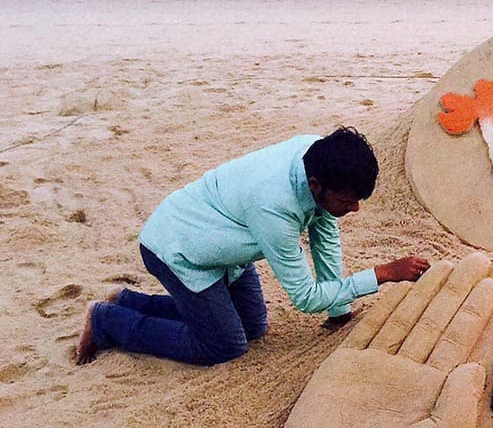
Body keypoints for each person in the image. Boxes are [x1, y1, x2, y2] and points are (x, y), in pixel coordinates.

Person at [75, 127, 429, 366]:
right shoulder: (275, 208)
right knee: (224, 345)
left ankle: (127, 300)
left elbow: (325, 235)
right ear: (317, 185)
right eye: (349, 200)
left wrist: (340, 311)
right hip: (178, 251)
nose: (355, 208)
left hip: (226, 246)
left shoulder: (316, 154)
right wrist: (382, 274)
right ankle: (109, 321)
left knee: (254, 326)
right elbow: (305, 297)